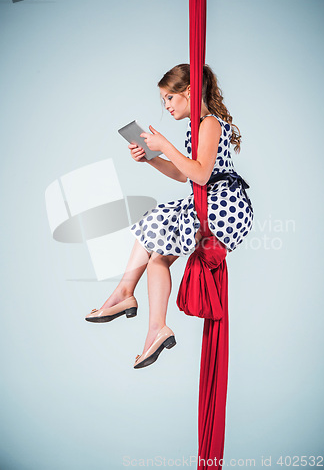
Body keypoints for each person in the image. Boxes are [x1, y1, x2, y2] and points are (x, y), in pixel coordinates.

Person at [85, 63, 254, 369]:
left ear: (189, 92)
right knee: (157, 254)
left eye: (169, 98)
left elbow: (201, 176)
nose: (166, 106)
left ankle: (126, 296)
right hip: (209, 200)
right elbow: (183, 175)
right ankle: (149, 322)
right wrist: (151, 159)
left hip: (226, 204)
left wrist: (165, 145)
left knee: (158, 224)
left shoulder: (209, 124)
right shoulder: (196, 127)